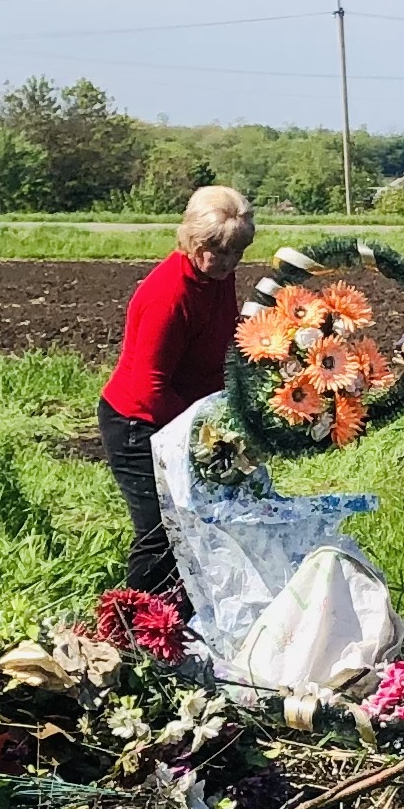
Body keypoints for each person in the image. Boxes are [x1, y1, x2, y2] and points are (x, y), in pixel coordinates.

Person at [99, 184, 255, 602]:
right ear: (190, 239)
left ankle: (184, 619)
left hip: (192, 415)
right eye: (216, 250)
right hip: (140, 422)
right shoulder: (168, 296)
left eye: (236, 252)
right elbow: (151, 388)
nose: (226, 262)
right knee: (162, 531)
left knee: (201, 523)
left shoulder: (216, 276)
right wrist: (206, 435)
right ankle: (135, 627)